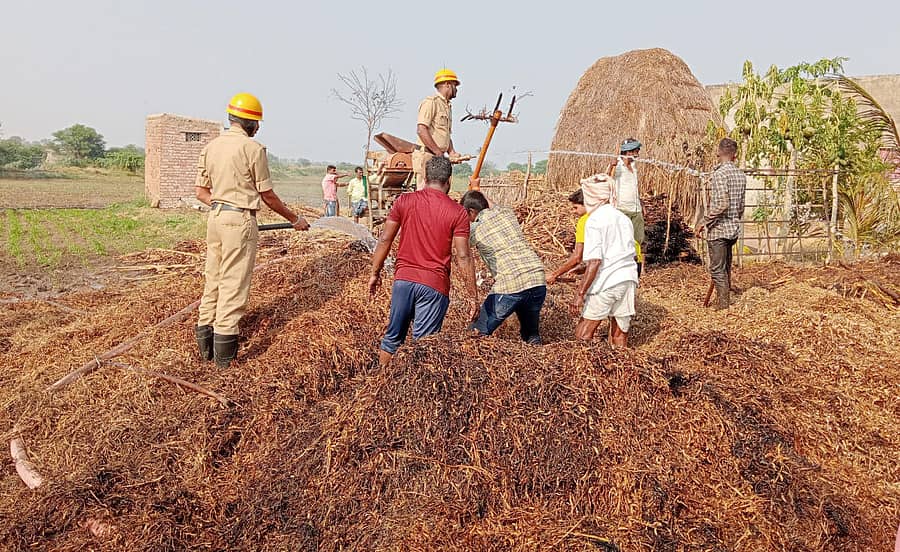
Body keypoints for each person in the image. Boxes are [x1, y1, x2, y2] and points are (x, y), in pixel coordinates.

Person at [194, 92, 310, 368]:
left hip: (215, 218)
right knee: (234, 285)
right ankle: (224, 364)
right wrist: (295, 219)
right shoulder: (252, 149)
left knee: (214, 280)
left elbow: (201, 192)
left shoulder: (210, 147)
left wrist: (223, 205)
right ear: (251, 123)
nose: (258, 128)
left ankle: (205, 353)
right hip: (239, 221)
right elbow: (267, 195)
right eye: (257, 124)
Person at [369, 156, 478, 366]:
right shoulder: (457, 212)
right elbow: (463, 256)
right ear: (449, 181)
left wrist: (375, 272)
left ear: (426, 177)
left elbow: (385, 238)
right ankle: (413, 396)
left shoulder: (405, 201)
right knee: (423, 345)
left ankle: (379, 384)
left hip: (403, 281)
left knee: (392, 339)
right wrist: (473, 296)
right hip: (434, 285)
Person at [461, 190, 547, 344]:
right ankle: (540, 358)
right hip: (537, 278)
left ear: (471, 212)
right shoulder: (506, 213)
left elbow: (462, 251)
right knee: (531, 334)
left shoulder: (475, 229)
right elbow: (492, 205)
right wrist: (478, 189)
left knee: (476, 333)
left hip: (510, 283)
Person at [572, 175, 639, 347]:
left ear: (593, 198)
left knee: (583, 334)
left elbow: (595, 262)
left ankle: (584, 370)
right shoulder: (622, 218)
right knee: (619, 335)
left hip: (607, 281)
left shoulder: (594, 221)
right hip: (627, 279)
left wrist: (580, 294)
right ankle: (622, 369)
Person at [697, 138, 746, 309]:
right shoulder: (740, 175)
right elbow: (740, 206)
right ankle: (724, 299)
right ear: (735, 155)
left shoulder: (719, 174)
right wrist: (735, 218)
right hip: (733, 229)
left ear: (718, 152)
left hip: (719, 230)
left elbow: (721, 204)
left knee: (717, 270)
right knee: (725, 267)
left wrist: (704, 221)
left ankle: (723, 305)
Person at [412, 69, 462, 189]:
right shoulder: (431, 103)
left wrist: (452, 152)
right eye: (455, 85)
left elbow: (445, 134)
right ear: (447, 85)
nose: (457, 89)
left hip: (436, 157)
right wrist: (438, 152)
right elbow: (421, 130)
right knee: (424, 195)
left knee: (438, 195)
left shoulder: (447, 106)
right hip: (427, 156)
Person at [607, 138, 645, 248]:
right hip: (622, 209)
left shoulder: (633, 166)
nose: (638, 153)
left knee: (639, 241)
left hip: (636, 209)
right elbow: (607, 179)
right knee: (622, 241)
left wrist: (641, 203)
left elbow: (634, 187)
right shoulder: (617, 165)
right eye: (636, 151)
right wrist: (610, 167)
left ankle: (637, 264)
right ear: (629, 152)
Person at [547, 189, 589, 284]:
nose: (573, 211)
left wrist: (554, 274)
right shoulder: (608, 216)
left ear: (586, 204)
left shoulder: (584, 221)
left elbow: (577, 257)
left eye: (575, 207)